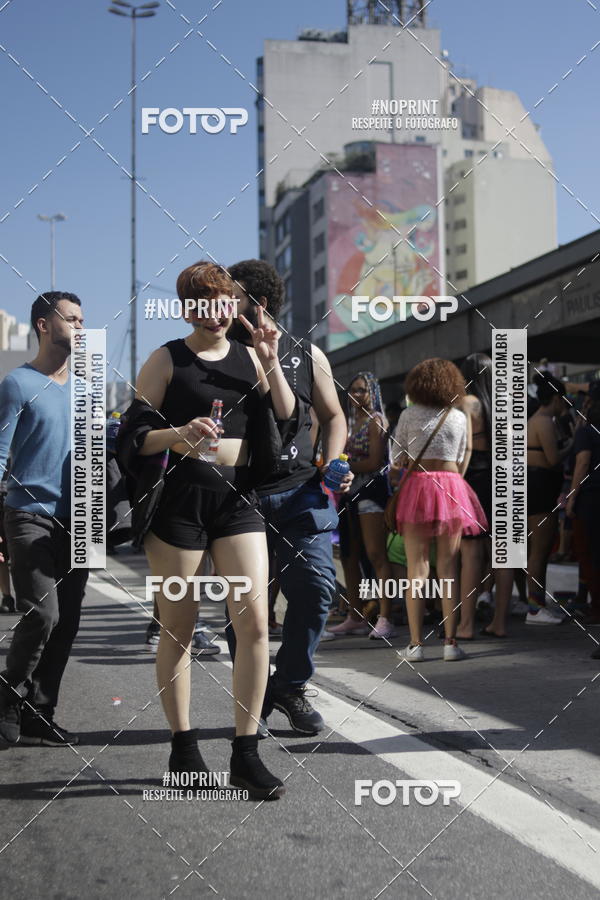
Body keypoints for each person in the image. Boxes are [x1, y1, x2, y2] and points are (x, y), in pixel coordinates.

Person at [129, 261, 296, 798]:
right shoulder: (167, 359)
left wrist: (270, 359)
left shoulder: (252, 354)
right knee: (180, 627)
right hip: (179, 504)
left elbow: (287, 414)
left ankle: (246, 753)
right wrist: (178, 432)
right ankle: (183, 748)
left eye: (225, 301)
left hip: (238, 500)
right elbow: (134, 435)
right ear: (187, 309)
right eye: (205, 303)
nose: (218, 313)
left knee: (255, 625)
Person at [225, 258, 352, 735]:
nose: (220, 305)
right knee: (246, 604)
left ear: (257, 303)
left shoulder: (306, 353)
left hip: (302, 492)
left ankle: (290, 684)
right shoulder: (216, 353)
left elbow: (334, 416)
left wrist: (333, 463)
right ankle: (254, 691)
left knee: (317, 588)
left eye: (231, 296)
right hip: (241, 496)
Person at [0, 292, 88, 746]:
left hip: (80, 519)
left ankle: (40, 711)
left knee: (67, 620)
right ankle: (7, 693)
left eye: (83, 320)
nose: (80, 327)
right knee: (42, 614)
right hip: (28, 515)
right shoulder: (17, 384)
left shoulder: (86, 387)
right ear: (43, 324)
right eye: (72, 319)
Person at [390, 358, 487, 661]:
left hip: (417, 487)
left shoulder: (408, 414)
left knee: (416, 569)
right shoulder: (457, 416)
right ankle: (450, 643)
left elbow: (396, 457)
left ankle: (416, 645)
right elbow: (463, 453)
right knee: (448, 568)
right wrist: (455, 479)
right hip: (452, 486)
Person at [327, 372, 396, 640]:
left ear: (373, 393)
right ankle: (355, 617)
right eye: (353, 390)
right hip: (348, 495)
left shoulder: (376, 420)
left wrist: (342, 466)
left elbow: (375, 462)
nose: (356, 395)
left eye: (362, 390)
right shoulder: (347, 421)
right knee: (349, 556)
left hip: (371, 494)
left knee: (376, 555)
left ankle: (386, 617)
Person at [526, 371, 573, 625]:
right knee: (539, 551)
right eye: (563, 399)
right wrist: (573, 443)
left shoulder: (538, 420)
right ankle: (535, 609)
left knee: (538, 551)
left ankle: (537, 605)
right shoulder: (543, 421)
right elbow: (553, 459)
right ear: (555, 398)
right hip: (540, 488)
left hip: (537, 486)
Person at [566, 386, 600, 627]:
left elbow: (582, 463)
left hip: (591, 498)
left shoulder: (586, 433)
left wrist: (572, 497)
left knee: (590, 553)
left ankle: (596, 607)